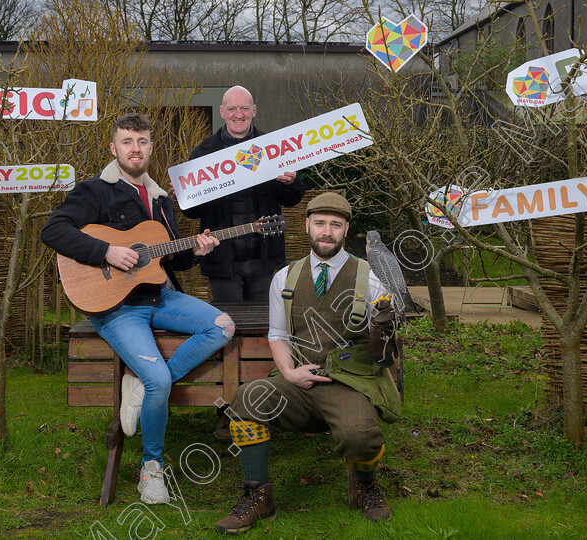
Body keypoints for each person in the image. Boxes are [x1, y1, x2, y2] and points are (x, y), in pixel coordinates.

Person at [41, 113, 235, 505]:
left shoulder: (162, 200)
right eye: (127, 141)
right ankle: (151, 470)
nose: (135, 149)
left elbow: (170, 261)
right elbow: (53, 230)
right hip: (116, 307)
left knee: (223, 325)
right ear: (114, 148)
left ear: (151, 147)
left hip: (160, 296)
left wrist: (195, 251)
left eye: (142, 142)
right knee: (160, 382)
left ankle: (142, 386)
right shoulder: (95, 190)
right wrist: (106, 250)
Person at [214, 192, 402, 534]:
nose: (326, 231)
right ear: (307, 226)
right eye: (320, 223)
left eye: (335, 224)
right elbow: (277, 334)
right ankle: (258, 496)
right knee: (246, 398)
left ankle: (364, 484)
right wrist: (288, 372)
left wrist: (385, 327)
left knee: (361, 435)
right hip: (296, 382)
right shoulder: (284, 278)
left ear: (346, 229)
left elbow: (383, 351)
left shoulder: (369, 278)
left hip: (349, 382)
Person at [183, 85, 305, 440]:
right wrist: (185, 193)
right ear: (222, 112)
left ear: (254, 110)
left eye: (245, 109)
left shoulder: (273, 147)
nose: (238, 114)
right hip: (223, 265)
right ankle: (227, 411)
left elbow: (294, 198)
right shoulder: (204, 153)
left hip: (265, 260)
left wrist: (292, 179)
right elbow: (189, 209)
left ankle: (264, 406)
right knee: (226, 335)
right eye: (232, 109)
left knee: (269, 335)